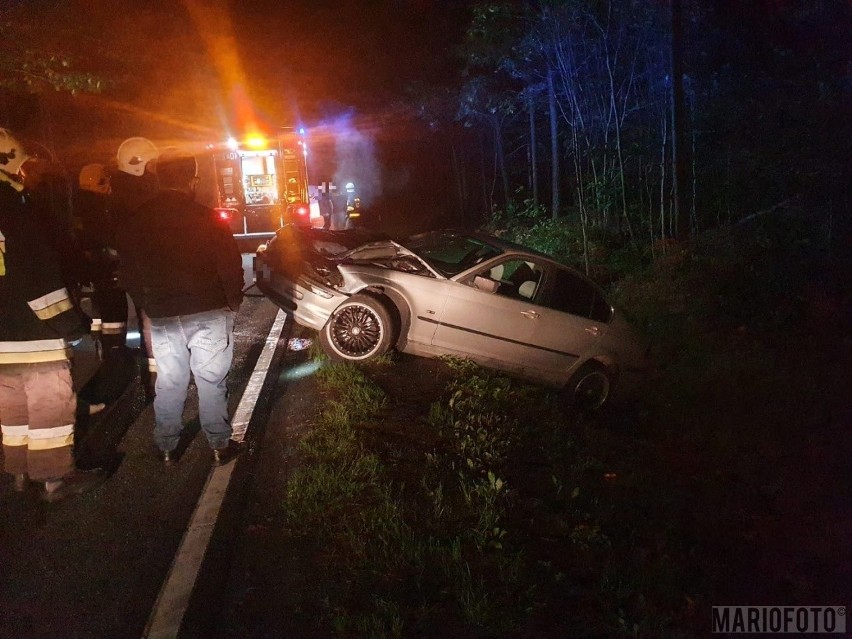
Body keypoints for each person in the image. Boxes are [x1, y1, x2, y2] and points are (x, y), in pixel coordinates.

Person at [114, 148, 244, 466]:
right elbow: (230, 266)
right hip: (209, 310)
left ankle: (167, 446)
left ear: (158, 179)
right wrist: (233, 301)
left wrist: (147, 306)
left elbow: (128, 272)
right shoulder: (209, 218)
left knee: (170, 381)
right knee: (211, 381)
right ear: (193, 180)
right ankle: (219, 445)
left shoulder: (136, 221)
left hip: (163, 316)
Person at [0, 128, 106, 502]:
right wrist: (72, 326)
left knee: (12, 410)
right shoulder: (16, 209)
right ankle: (55, 479)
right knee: (49, 407)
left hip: (1, 339)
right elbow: (40, 278)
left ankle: (18, 471)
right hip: (35, 335)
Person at [73, 163, 137, 405]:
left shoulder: (74, 208)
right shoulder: (100, 209)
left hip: (91, 281)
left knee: (101, 328)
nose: (109, 186)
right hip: (107, 281)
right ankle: (114, 374)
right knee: (113, 329)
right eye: (104, 181)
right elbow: (110, 243)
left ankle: (107, 359)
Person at [110, 137, 159, 401]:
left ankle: (155, 385)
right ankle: (158, 388)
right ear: (139, 166)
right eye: (152, 164)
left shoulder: (121, 194)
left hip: (139, 276)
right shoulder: (137, 198)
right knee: (153, 330)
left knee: (148, 329)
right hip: (148, 277)